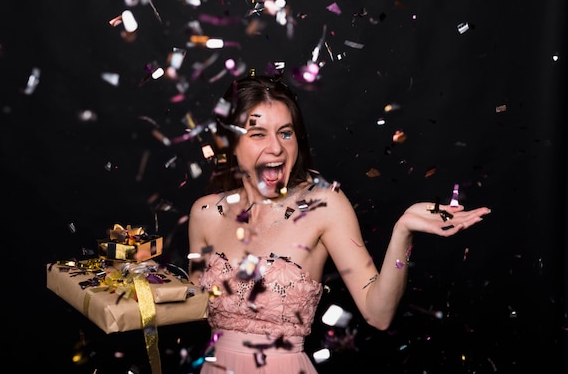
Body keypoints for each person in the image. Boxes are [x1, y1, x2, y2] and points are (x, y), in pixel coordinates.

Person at [137, 72, 491, 373]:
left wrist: (403, 232)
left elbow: (379, 314)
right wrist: (132, 288)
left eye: (286, 133)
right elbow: (196, 307)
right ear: (229, 143)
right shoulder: (204, 214)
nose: (275, 148)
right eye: (257, 134)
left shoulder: (324, 205)